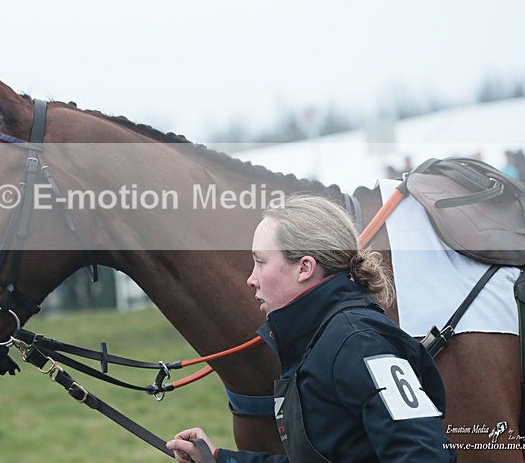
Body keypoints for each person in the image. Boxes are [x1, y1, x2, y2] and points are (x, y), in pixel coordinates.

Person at [167, 194, 455, 462]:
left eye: (260, 262)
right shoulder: (318, 340)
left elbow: (423, 454)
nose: (251, 279)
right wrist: (219, 459)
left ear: (304, 268)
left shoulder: (359, 341)